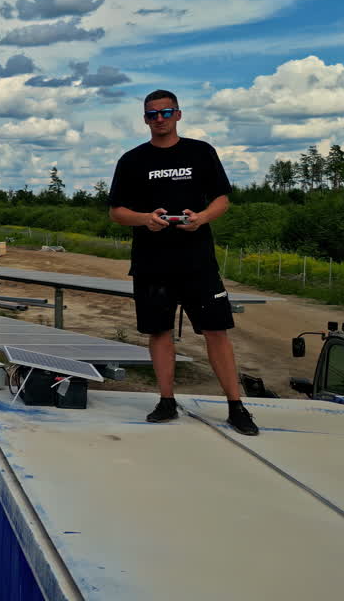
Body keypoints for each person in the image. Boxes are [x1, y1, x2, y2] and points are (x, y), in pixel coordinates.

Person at [108, 89, 258, 435]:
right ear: (144, 119)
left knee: (216, 330)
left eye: (165, 112)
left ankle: (236, 406)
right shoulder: (132, 161)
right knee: (159, 331)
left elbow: (222, 199)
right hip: (151, 263)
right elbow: (117, 211)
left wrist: (203, 217)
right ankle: (166, 400)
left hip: (197, 261)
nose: (159, 119)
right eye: (152, 114)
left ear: (178, 114)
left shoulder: (200, 152)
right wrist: (145, 218)